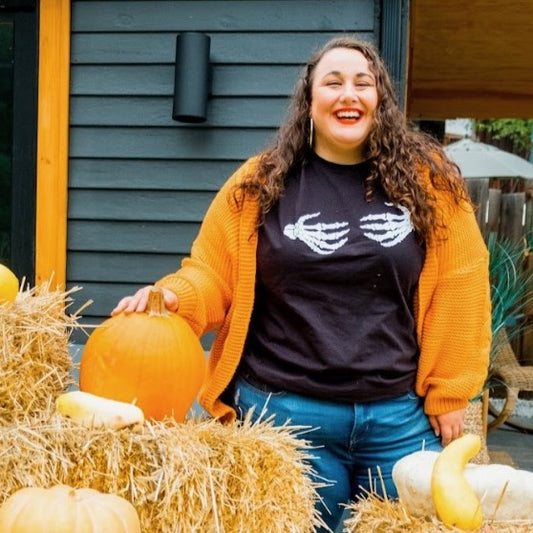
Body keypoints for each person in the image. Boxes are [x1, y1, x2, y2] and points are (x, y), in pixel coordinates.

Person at [112, 35, 491, 532]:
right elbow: (211, 273)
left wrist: (451, 392)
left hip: (398, 419)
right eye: (332, 83)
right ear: (309, 101)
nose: (348, 94)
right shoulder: (258, 184)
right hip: (285, 416)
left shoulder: (431, 185)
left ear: (382, 100)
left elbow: (463, 286)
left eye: (363, 82)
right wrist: (171, 298)